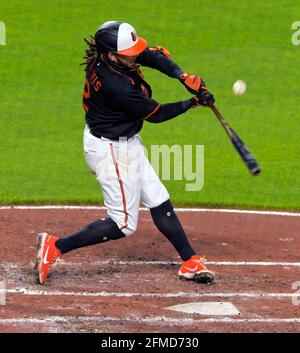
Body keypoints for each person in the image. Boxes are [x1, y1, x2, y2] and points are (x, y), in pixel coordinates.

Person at [34, 21, 215, 285]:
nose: (135, 55)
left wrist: (182, 76)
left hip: (124, 142)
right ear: (111, 55)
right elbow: (156, 114)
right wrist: (192, 102)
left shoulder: (113, 59)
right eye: (129, 52)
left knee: (157, 198)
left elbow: (151, 55)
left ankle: (190, 261)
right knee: (123, 224)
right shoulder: (115, 84)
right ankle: (56, 246)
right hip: (111, 151)